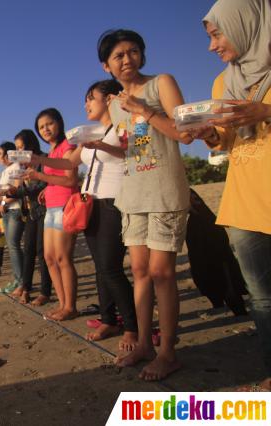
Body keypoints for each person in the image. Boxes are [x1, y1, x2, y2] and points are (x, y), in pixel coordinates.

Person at [97, 29, 193, 381]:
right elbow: (135, 148)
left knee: (162, 272)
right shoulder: (115, 103)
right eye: (119, 56)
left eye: (133, 51)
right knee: (138, 271)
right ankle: (144, 345)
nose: (127, 59)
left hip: (164, 190)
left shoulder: (161, 84)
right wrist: (106, 146)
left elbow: (184, 133)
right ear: (106, 65)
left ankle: (168, 353)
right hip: (133, 193)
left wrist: (144, 111)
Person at [190, 0, 270, 390]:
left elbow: (256, 118)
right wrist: (209, 134)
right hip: (244, 202)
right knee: (262, 297)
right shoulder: (224, 83)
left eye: (216, 33)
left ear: (245, 23)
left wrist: (264, 112)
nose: (212, 46)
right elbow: (225, 139)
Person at [27, 80, 139, 349]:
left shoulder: (125, 126)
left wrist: (100, 145)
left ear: (110, 99)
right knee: (102, 269)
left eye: (92, 98)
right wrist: (39, 160)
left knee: (112, 269)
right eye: (85, 100)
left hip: (114, 200)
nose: (87, 104)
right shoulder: (92, 133)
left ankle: (133, 328)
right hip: (91, 203)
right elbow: (68, 163)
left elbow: (137, 152)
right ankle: (108, 319)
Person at [24, 108, 79, 321]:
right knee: (49, 258)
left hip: (66, 205)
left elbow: (71, 181)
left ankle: (70, 306)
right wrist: (47, 189)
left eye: (49, 124)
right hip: (52, 207)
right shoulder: (52, 150)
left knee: (63, 258)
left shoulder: (67, 147)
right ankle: (63, 303)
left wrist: (40, 176)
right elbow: (57, 179)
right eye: (41, 127)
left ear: (59, 123)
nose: (45, 129)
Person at [12, 129, 51, 306]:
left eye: (21, 147)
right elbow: (24, 190)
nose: (19, 152)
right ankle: (26, 287)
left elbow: (44, 183)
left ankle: (45, 291)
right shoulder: (23, 165)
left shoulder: (43, 159)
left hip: (45, 209)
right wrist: (14, 190)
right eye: (17, 149)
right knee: (28, 249)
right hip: (31, 211)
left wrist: (19, 191)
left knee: (42, 252)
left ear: (30, 145)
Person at [0, 142, 24, 293]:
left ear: (7, 155)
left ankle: (21, 282)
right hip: (7, 211)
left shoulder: (17, 167)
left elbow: (18, 190)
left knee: (14, 246)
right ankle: (18, 280)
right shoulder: (6, 171)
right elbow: (4, 193)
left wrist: (4, 202)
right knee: (12, 247)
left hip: (14, 211)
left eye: (0, 153)